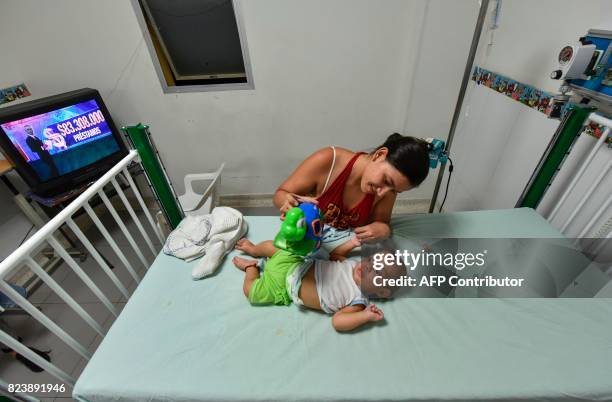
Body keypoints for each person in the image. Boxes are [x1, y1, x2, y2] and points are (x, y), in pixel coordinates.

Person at [273, 133, 430, 254]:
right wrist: (288, 202)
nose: (384, 193)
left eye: (395, 191)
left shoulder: (386, 191)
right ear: (379, 155)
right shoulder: (328, 160)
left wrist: (384, 229)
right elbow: (281, 194)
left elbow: (381, 223)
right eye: (387, 180)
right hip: (304, 241)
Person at [233, 238, 405, 332]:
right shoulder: (352, 264)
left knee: (252, 292)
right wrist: (350, 244)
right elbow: (334, 255)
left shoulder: (358, 300)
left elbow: (338, 322)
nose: (368, 266)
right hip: (295, 262)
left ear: (382, 291)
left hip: (285, 286)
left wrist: (366, 316)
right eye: (370, 259)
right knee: (275, 245)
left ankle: (251, 268)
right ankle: (254, 249)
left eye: (377, 271)